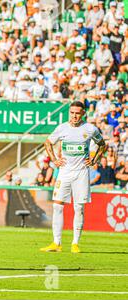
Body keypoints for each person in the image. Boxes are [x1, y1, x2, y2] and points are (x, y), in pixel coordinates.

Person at [41, 101, 106, 253]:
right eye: (72, 113)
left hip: (81, 173)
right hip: (64, 172)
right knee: (57, 205)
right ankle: (56, 243)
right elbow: (48, 143)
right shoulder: (62, 128)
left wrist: (94, 159)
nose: (74, 116)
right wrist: (55, 160)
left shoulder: (90, 129)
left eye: (77, 113)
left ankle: (75, 243)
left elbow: (102, 144)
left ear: (83, 113)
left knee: (79, 207)